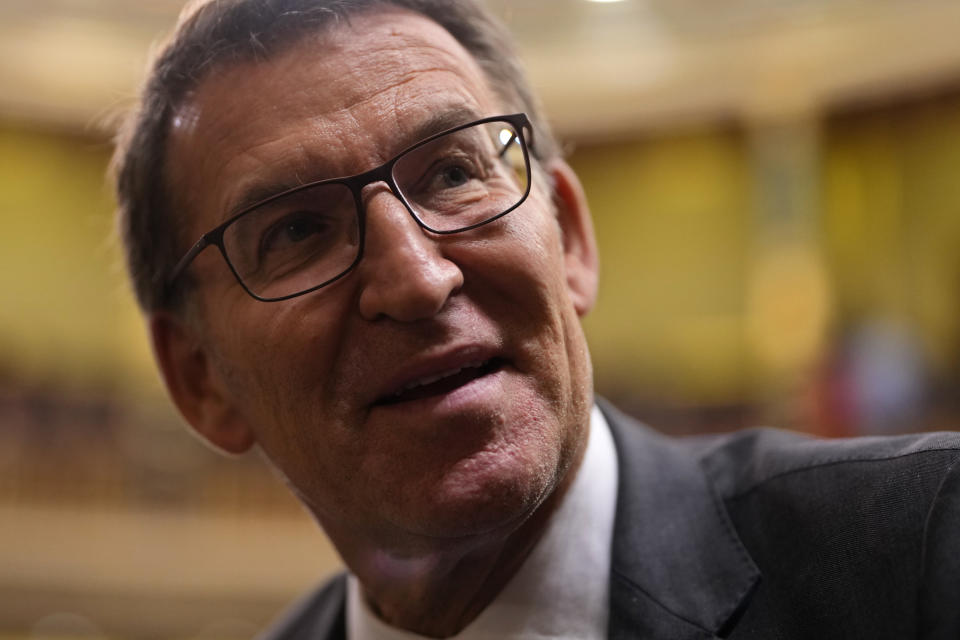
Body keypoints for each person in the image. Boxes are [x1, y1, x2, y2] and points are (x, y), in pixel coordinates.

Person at [111, 1, 960, 638]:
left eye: (451, 174)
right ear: (199, 378)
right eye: (297, 231)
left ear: (572, 238)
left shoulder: (927, 548)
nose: (415, 277)